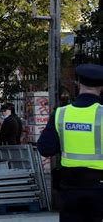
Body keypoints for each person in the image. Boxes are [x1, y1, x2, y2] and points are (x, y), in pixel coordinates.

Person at [37, 63, 103, 222]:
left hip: (70, 189)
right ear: (101, 87)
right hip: (99, 188)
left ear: (78, 84)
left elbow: (46, 148)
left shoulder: (60, 114)